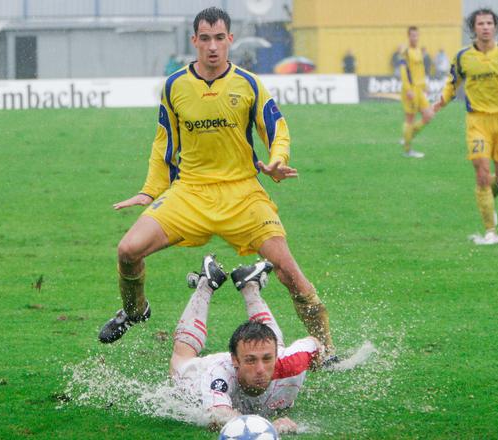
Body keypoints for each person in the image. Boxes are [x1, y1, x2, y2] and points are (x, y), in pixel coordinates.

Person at [98, 7, 335, 361]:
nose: (212, 47)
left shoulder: (249, 83)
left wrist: (277, 161)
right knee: (127, 251)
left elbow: (276, 128)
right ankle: (135, 311)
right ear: (194, 41)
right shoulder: (175, 86)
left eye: (219, 38)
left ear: (230, 40)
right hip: (190, 194)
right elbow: (164, 142)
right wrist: (150, 190)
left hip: (242, 194)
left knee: (291, 274)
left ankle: (328, 350)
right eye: (205, 39)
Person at [170, 255, 324, 434]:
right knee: (181, 359)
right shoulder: (218, 375)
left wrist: (319, 359)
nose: (260, 369)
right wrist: (268, 428)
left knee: (270, 342)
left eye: (267, 359)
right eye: (251, 361)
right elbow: (218, 417)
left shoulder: (292, 360)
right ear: (235, 360)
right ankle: (206, 284)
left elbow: (314, 344)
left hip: (271, 353)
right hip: (200, 374)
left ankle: (250, 285)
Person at [433, 8, 498, 244]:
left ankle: (486, 197)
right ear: (474, 28)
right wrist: (441, 101)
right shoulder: (462, 57)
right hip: (477, 121)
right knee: (481, 173)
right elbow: (452, 83)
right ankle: (490, 230)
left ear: (495, 27)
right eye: (481, 23)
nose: (485, 27)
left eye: (489, 23)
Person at [399, 26, 435, 158]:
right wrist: (408, 90)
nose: (415, 38)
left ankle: (407, 136)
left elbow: (420, 70)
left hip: (420, 89)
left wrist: (425, 85)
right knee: (410, 119)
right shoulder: (405, 52)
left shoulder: (419, 51)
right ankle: (408, 150)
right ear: (408, 37)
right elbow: (404, 72)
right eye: (413, 35)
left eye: (417, 35)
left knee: (429, 115)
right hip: (411, 90)